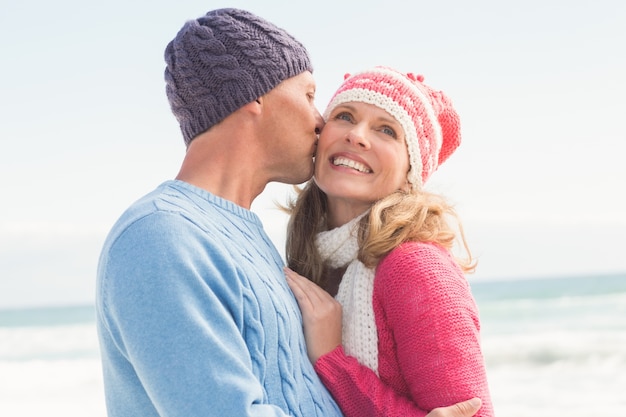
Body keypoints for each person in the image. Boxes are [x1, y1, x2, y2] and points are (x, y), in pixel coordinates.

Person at [95, 8, 482, 417]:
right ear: (255, 95)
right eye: (311, 96)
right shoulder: (162, 238)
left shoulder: (249, 239)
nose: (321, 122)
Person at [284, 66, 494, 416]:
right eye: (345, 116)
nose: (358, 136)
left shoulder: (415, 267)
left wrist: (332, 360)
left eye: (387, 130)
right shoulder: (312, 262)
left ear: (410, 174)